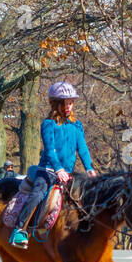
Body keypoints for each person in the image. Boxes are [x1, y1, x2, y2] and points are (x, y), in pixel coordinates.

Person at [9, 81, 98, 248]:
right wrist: (58, 169)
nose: (68, 107)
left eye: (70, 103)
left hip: (68, 173)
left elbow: (83, 149)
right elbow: (50, 150)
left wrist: (89, 168)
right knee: (38, 194)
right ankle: (19, 230)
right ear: (55, 104)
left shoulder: (76, 125)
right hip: (48, 170)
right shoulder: (48, 124)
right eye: (64, 103)